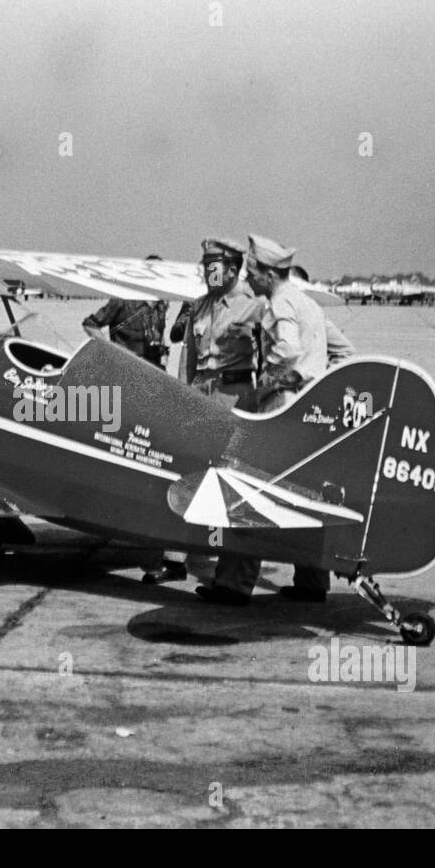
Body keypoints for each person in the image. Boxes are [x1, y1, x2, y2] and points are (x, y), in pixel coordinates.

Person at [196, 235, 338, 607]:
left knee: (249, 493)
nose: (248, 278)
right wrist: (312, 382)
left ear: (265, 272)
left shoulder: (279, 302)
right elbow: (343, 351)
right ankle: (312, 581)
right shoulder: (308, 303)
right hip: (308, 415)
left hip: (279, 410)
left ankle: (232, 585)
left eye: (251, 271)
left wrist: (273, 383)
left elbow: (287, 349)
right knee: (303, 495)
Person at [144, 236, 266, 585]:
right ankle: (174, 559)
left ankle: (234, 579)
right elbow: (188, 361)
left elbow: (270, 358)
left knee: (235, 485)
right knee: (182, 471)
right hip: (201, 395)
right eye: (204, 264)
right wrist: (181, 401)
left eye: (211, 265)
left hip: (236, 397)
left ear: (232, 268)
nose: (205, 271)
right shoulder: (197, 307)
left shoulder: (255, 307)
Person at [82, 291, 167, 367]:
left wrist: (164, 355)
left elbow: (158, 334)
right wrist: (109, 349)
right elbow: (90, 325)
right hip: (125, 367)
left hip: (154, 368)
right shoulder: (122, 301)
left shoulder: (161, 304)